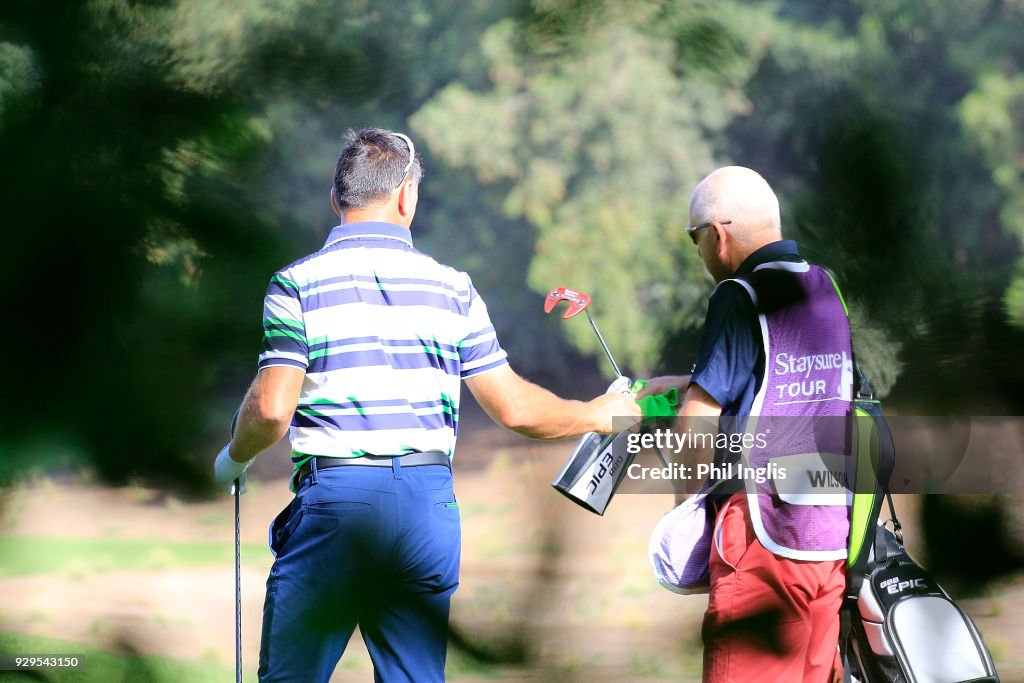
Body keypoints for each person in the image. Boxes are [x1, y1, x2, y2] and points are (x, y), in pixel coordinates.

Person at [212, 127, 640, 683]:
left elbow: (271, 411)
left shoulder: (296, 284)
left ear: (337, 198)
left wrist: (233, 459)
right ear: (406, 197)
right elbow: (515, 409)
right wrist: (600, 414)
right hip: (426, 508)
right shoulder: (453, 287)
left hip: (336, 506)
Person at [641, 166, 853, 682]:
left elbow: (699, 424)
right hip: (827, 542)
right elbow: (791, 383)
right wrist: (685, 382)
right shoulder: (825, 286)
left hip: (760, 541)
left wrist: (687, 515)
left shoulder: (738, 293)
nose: (699, 254)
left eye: (695, 240)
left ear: (718, 234)